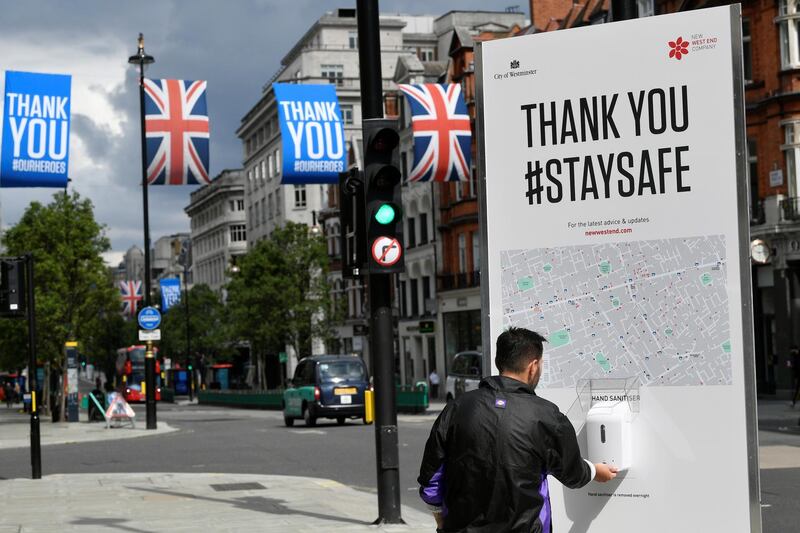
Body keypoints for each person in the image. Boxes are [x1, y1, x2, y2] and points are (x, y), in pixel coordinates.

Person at [418, 327, 617, 532]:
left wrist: (441, 519)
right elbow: (573, 474)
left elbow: (431, 478)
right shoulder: (547, 416)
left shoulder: (457, 407)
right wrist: (594, 470)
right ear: (533, 366)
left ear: (498, 362)